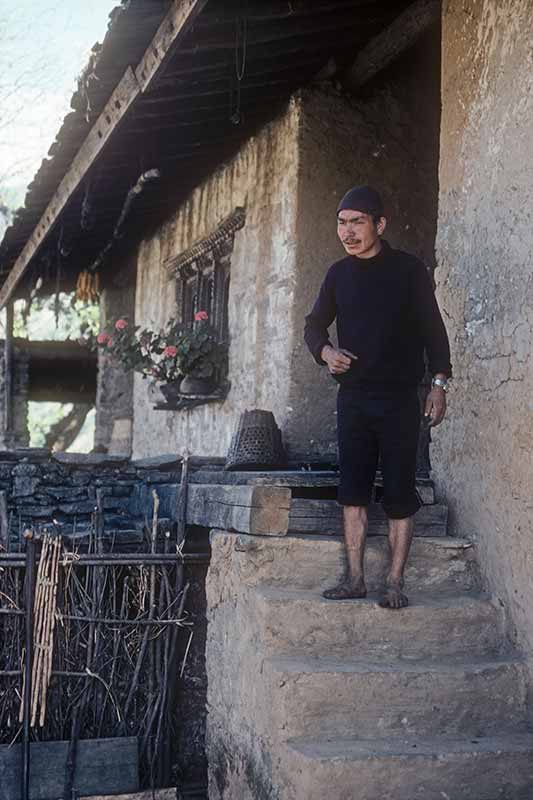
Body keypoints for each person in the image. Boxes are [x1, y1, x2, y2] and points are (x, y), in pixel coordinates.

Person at [304, 185, 451, 609]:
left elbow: (434, 331)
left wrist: (438, 385)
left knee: (400, 492)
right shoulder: (338, 275)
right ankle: (355, 579)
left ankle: (395, 583)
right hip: (353, 399)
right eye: (341, 223)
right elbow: (313, 325)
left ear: (380, 224)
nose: (347, 232)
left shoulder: (409, 271)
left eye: (357, 222)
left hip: (400, 399)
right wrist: (326, 353)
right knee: (352, 491)